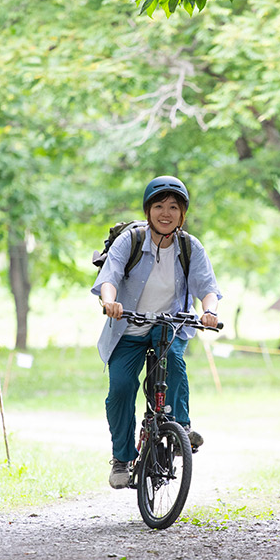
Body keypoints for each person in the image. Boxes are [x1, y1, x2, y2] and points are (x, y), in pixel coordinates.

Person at [91, 175, 221, 489]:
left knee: (174, 362)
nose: (166, 213)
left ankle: (180, 429)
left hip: (169, 324)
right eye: (159, 206)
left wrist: (210, 312)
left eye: (173, 207)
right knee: (121, 388)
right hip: (129, 327)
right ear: (148, 210)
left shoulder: (189, 246)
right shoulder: (131, 241)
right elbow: (110, 277)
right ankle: (122, 458)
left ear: (182, 213)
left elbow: (208, 287)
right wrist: (110, 302)